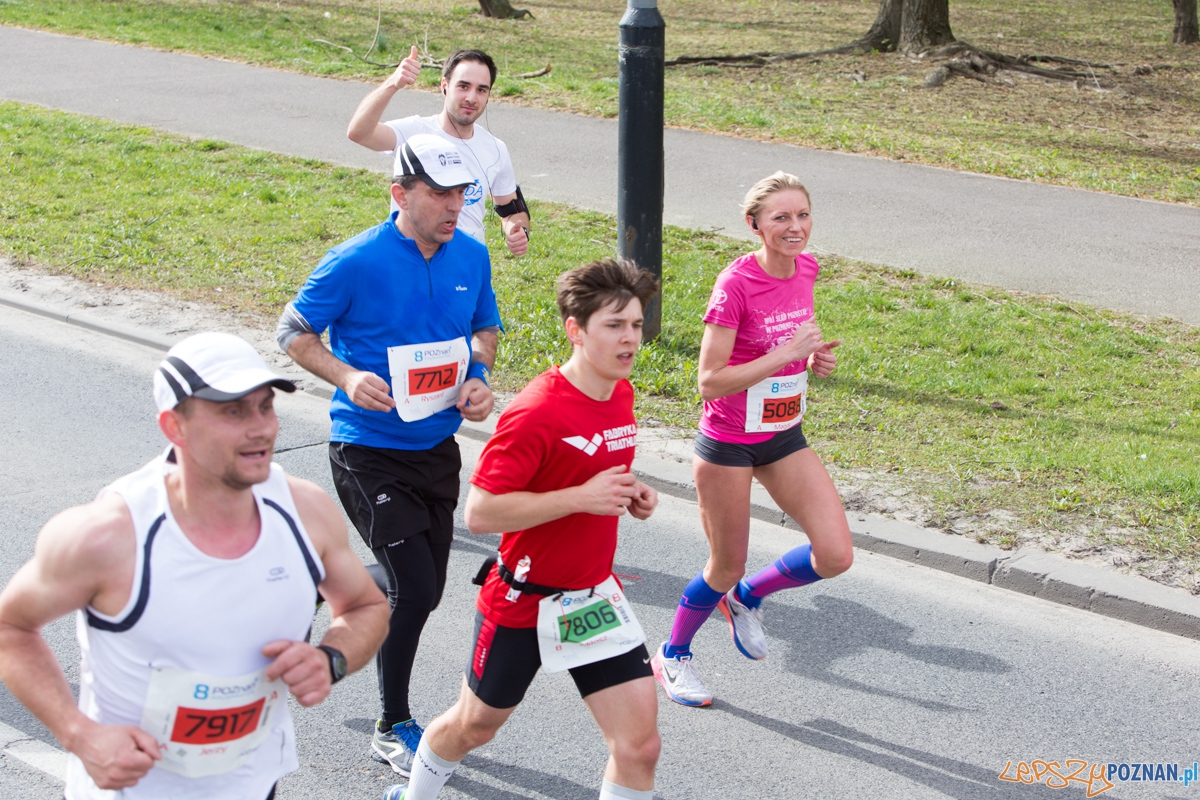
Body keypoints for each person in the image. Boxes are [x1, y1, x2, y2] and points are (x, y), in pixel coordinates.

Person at [0, 332, 390, 800]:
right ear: (174, 427)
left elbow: (365, 605)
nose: (261, 428)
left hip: (254, 786)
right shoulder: (107, 536)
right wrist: (78, 734)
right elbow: (11, 628)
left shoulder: (305, 512)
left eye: (265, 406)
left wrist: (331, 658)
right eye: (233, 411)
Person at [381, 258, 662, 800]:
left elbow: (596, 468)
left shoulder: (619, 393)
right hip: (525, 599)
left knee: (638, 746)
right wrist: (582, 497)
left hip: (591, 599)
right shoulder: (538, 411)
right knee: (475, 726)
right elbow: (481, 513)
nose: (630, 339)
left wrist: (632, 492)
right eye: (614, 326)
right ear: (575, 330)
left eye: (635, 324)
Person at [276, 133, 502, 778]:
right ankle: (390, 723)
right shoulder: (355, 260)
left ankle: (320, 584)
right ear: (400, 193)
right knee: (418, 587)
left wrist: (479, 373)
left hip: (436, 445)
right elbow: (292, 330)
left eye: (461, 193)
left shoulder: (472, 255)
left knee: (420, 593)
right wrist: (346, 378)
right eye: (439, 193)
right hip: (366, 449)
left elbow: (484, 325)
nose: (453, 206)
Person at [651, 171, 854, 708]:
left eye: (802, 215)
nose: (795, 228)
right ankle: (672, 656)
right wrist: (785, 356)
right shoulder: (735, 284)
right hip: (729, 441)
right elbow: (709, 380)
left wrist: (813, 357)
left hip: (783, 431)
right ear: (755, 225)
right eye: (781, 218)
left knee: (835, 554)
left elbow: (793, 339)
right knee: (724, 564)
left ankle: (749, 597)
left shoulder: (806, 268)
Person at [347, 47, 530, 257]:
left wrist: (518, 231)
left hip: (465, 267)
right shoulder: (413, 132)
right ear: (444, 85)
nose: (472, 97)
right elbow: (359, 133)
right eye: (463, 86)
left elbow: (511, 210)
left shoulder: (496, 149)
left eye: (481, 90)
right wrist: (392, 83)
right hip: (411, 261)